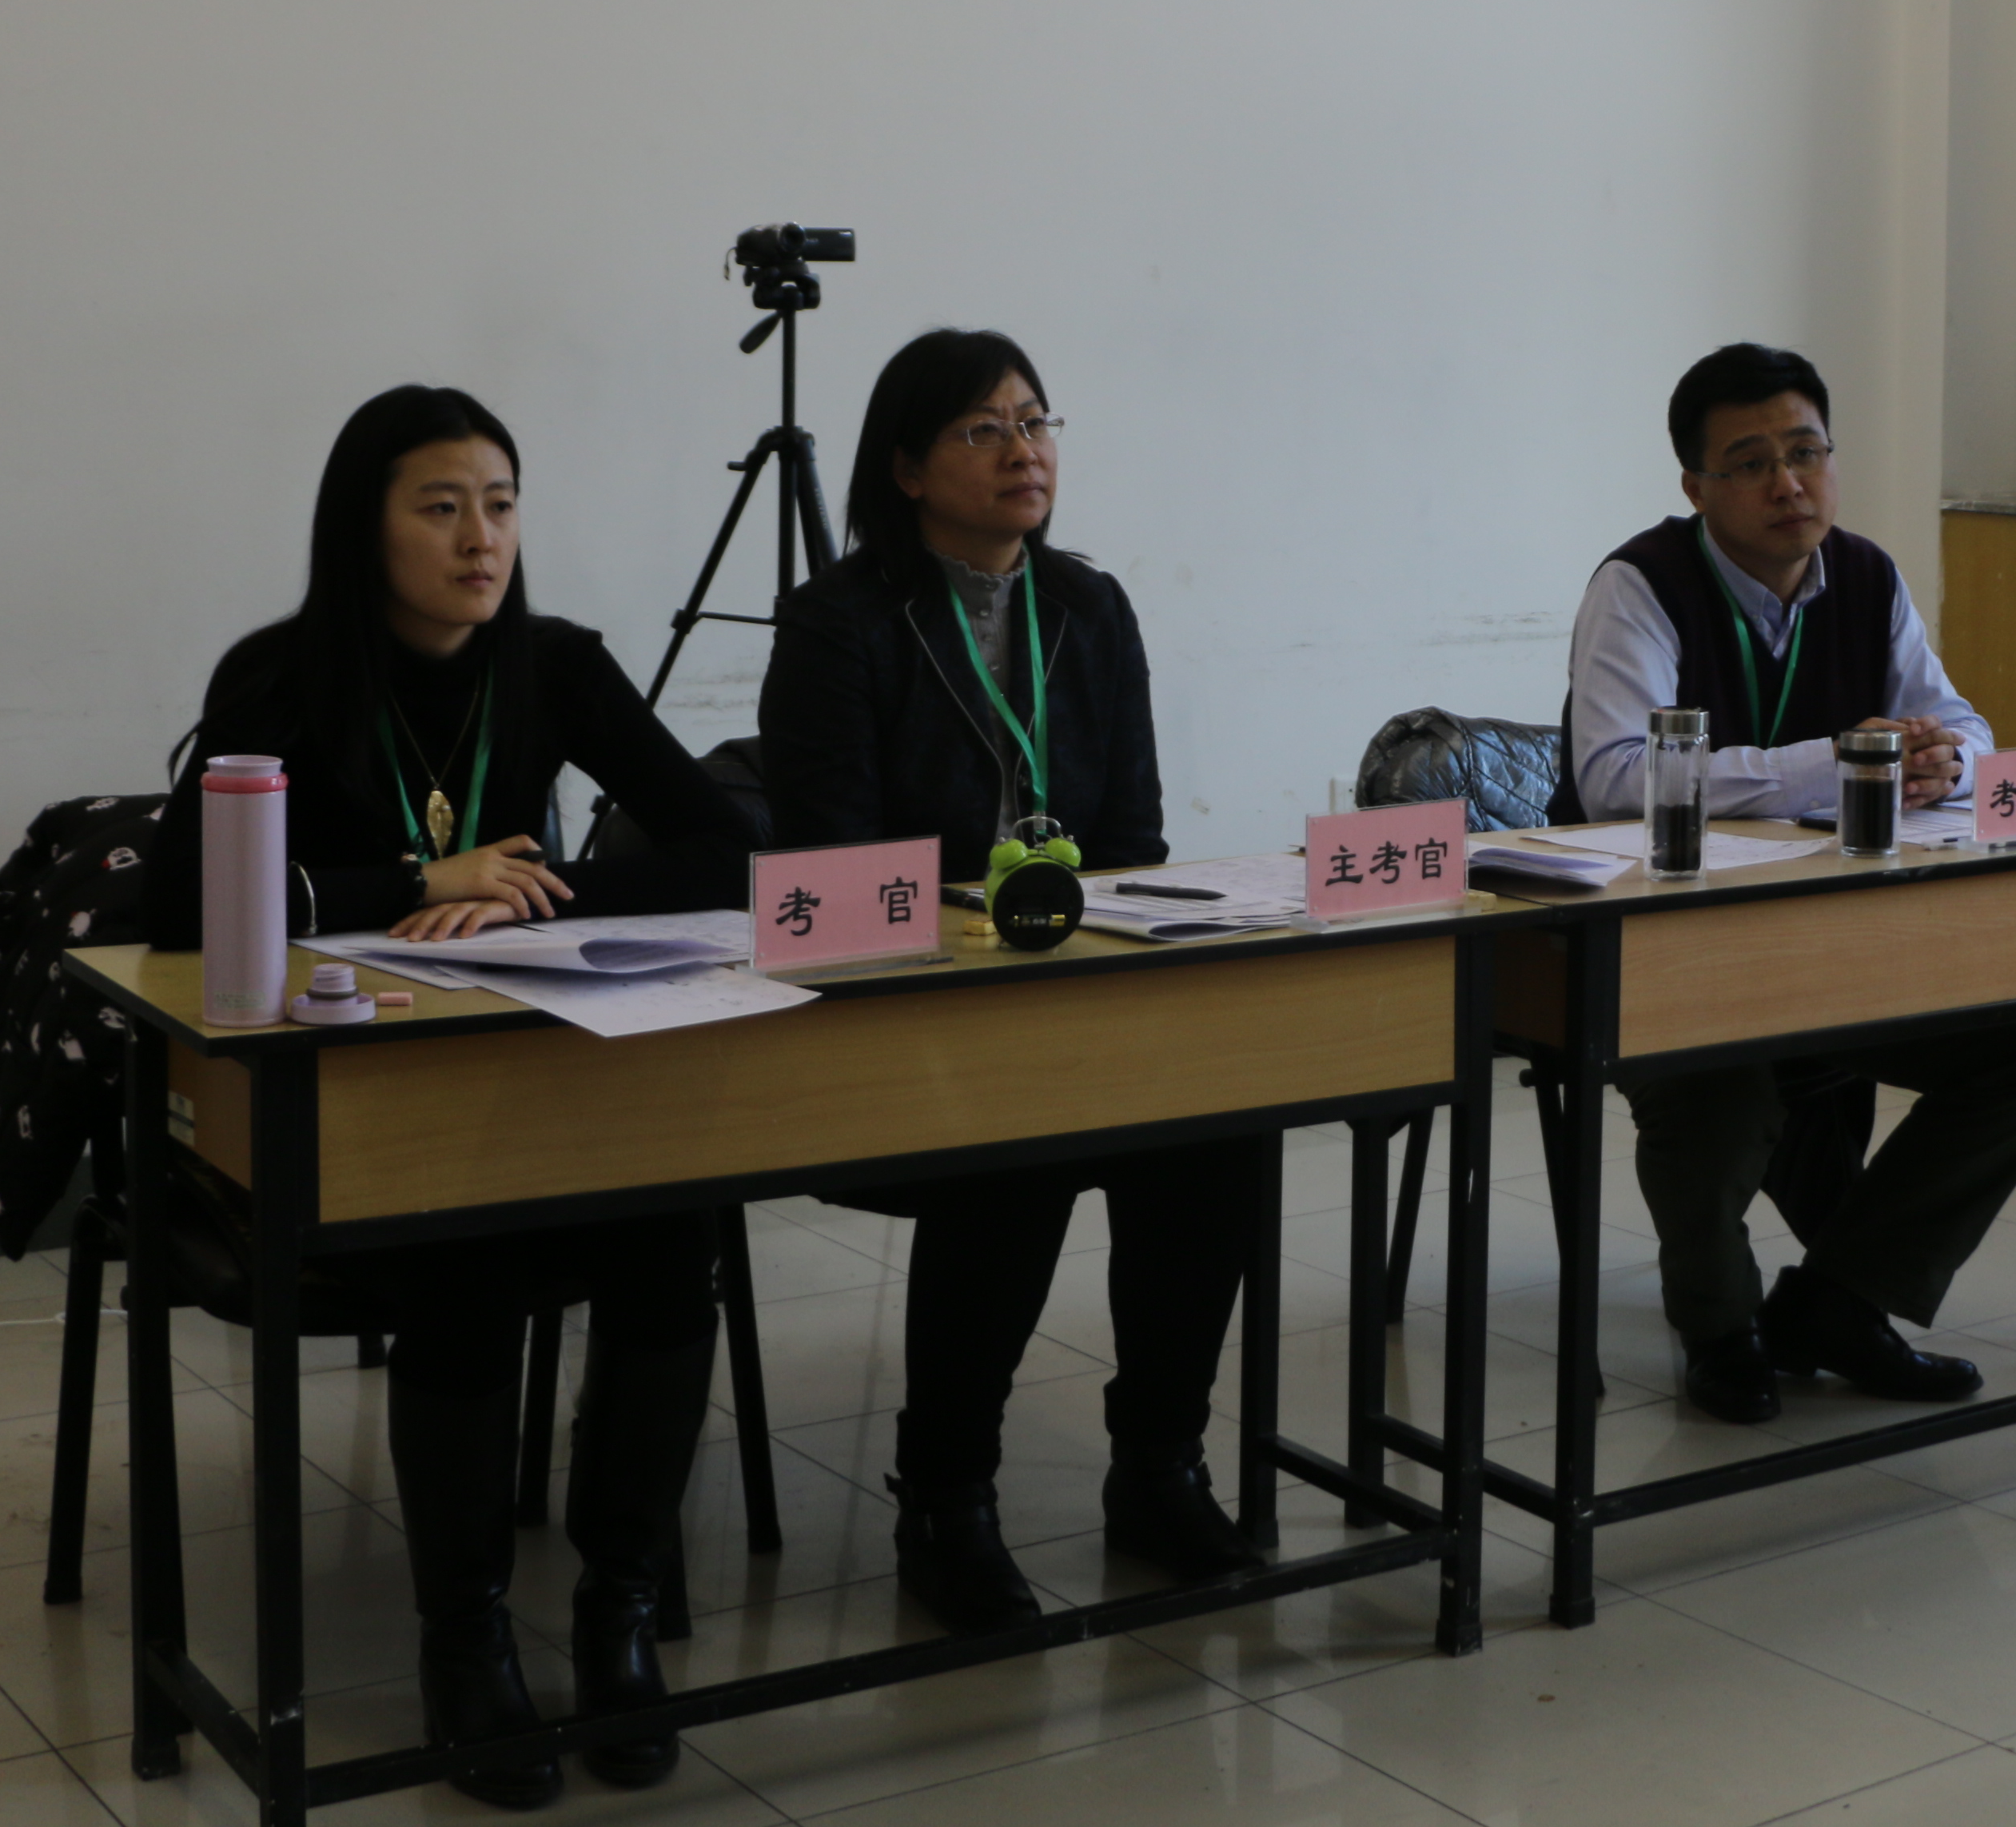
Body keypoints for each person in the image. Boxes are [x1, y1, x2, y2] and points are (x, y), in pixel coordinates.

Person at [160, 384, 760, 1809]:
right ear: (363, 528)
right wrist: (418, 881)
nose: (481, 538)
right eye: (440, 507)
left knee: (673, 1233)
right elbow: (185, 901)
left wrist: (533, 894)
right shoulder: (280, 679)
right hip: (348, 1103)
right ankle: (466, 1637)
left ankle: (618, 1615)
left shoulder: (557, 666)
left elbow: (723, 851)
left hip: (535, 1069)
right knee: (467, 1255)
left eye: (499, 504)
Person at [752, 327, 1255, 1634]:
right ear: (908, 467)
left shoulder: (1089, 606)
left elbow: (1134, 840)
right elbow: (832, 870)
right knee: (1017, 1145)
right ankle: (945, 1498)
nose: (1024, 451)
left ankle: (1159, 1466)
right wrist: (981, 924)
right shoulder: (840, 622)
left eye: (1035, 422)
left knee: (1220, 1132)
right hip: (902, 1012)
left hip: (1067, 993)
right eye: (984, 429)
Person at [1560, 342, 2016, 1426]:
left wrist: (1947, 762)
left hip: (1836, 942)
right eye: (1751, 463)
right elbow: (1615, 778)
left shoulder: (1868, 576)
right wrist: (1838, 762)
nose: (1788, 483)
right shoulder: (1639, 586)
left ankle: (1840, 1302)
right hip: (1657, 949)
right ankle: (1719, 1330)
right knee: (1719, 1081)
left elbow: (1962, 721)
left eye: (1806, 453)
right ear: (1696, 486)